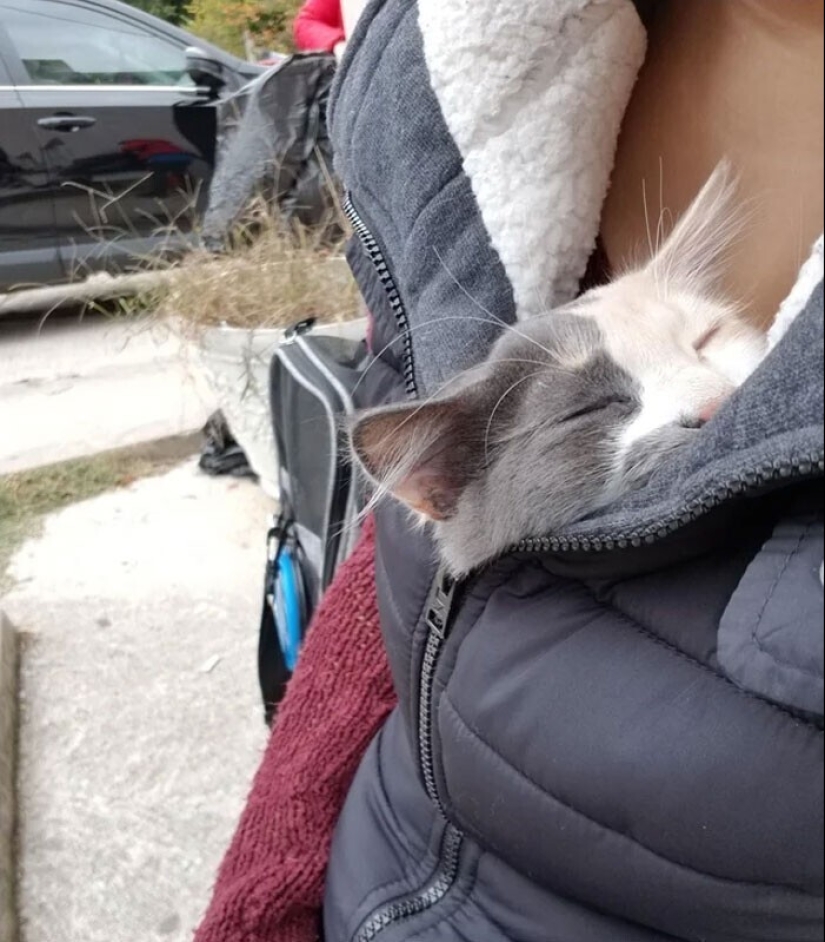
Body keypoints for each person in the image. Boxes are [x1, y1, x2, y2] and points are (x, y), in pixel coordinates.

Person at [196, 1, 824, 940]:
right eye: (594, 405)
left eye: (706, 339)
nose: (701, 397)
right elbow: (379, 618)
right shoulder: (445, 96)